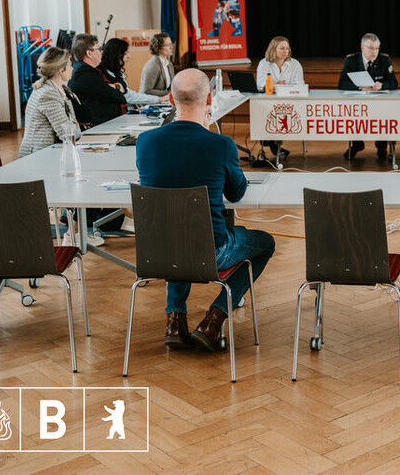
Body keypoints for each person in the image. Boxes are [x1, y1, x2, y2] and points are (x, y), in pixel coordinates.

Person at [136, 69, 275, 351]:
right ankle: (213, 320)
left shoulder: (145, 142)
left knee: (177, 231)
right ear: (210, 99)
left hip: (158, 252)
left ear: (171, 100)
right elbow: (236, 193)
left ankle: (175, 320)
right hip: (211, 253)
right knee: (266, 243)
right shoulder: (220, 145)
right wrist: (208, 133)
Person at [338, 33, 398, 159]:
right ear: (362, 48)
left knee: (385, 114)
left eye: (377, 48)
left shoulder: (384, 60)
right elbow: (342, 84)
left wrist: (382, 85)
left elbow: (394, 83)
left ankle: (382, 146)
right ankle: (357, 144)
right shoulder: (351, 60)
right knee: (353, 114)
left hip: (379, 102)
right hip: (359, 102)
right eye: (371, 48)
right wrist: (360, 88)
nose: (374, 52)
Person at [18, 47, 81, 158]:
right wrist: (75, 127)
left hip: (46, 152)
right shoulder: (48, 94)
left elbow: (68, 127)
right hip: (37, 157)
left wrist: (73, 126)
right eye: (70, 65)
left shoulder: (55, 89)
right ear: (61, 70)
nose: (72, 68)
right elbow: (68, 134)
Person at [257, 36, 305, 159]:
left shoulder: (295, 64)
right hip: (269, 100)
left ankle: (272, 143)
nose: (285, 51)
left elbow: (300, 84)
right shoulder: (264, 63)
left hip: (290, 101)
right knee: (265, 111)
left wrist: (283, 87)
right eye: (282, 48)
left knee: (281, 114)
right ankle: (272, 143)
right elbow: (260, 84)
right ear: (273, 49)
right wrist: (275, 86)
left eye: (287, 49)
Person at [68, 33, 127, 125]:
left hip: (112, 121)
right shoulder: (82, 73)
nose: (101, 52)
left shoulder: (97, 67)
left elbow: (121, 83)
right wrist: (117, 89)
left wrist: (115, 86)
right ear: (89, 53)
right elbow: (112, 94)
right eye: (99, 49)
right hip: (100, 125)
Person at [100, 38, 169, 105]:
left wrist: (159, 99)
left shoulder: (117, 71)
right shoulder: (102, 75)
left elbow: (129, 94)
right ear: (116, 55)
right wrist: (159, 99)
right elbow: (129, 97)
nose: (129, 57)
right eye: (126, 53)